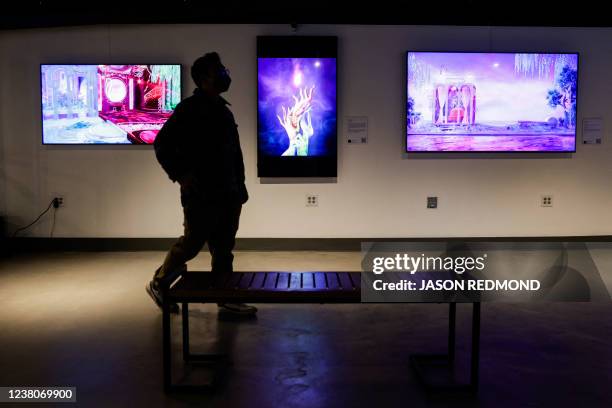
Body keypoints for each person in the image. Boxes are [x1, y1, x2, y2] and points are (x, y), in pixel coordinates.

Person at [146, 52, 257, 316]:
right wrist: (181, 175)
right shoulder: (189, 109)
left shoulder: (222, 110)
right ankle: (160, 282)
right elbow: (161, 144)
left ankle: (225, 296)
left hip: (228, 194)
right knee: (192, 244)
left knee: (223, 248)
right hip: (201, 194)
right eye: (218, 69)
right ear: (204, 78)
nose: (224, 73)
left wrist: (240, 188)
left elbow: (233, 154)